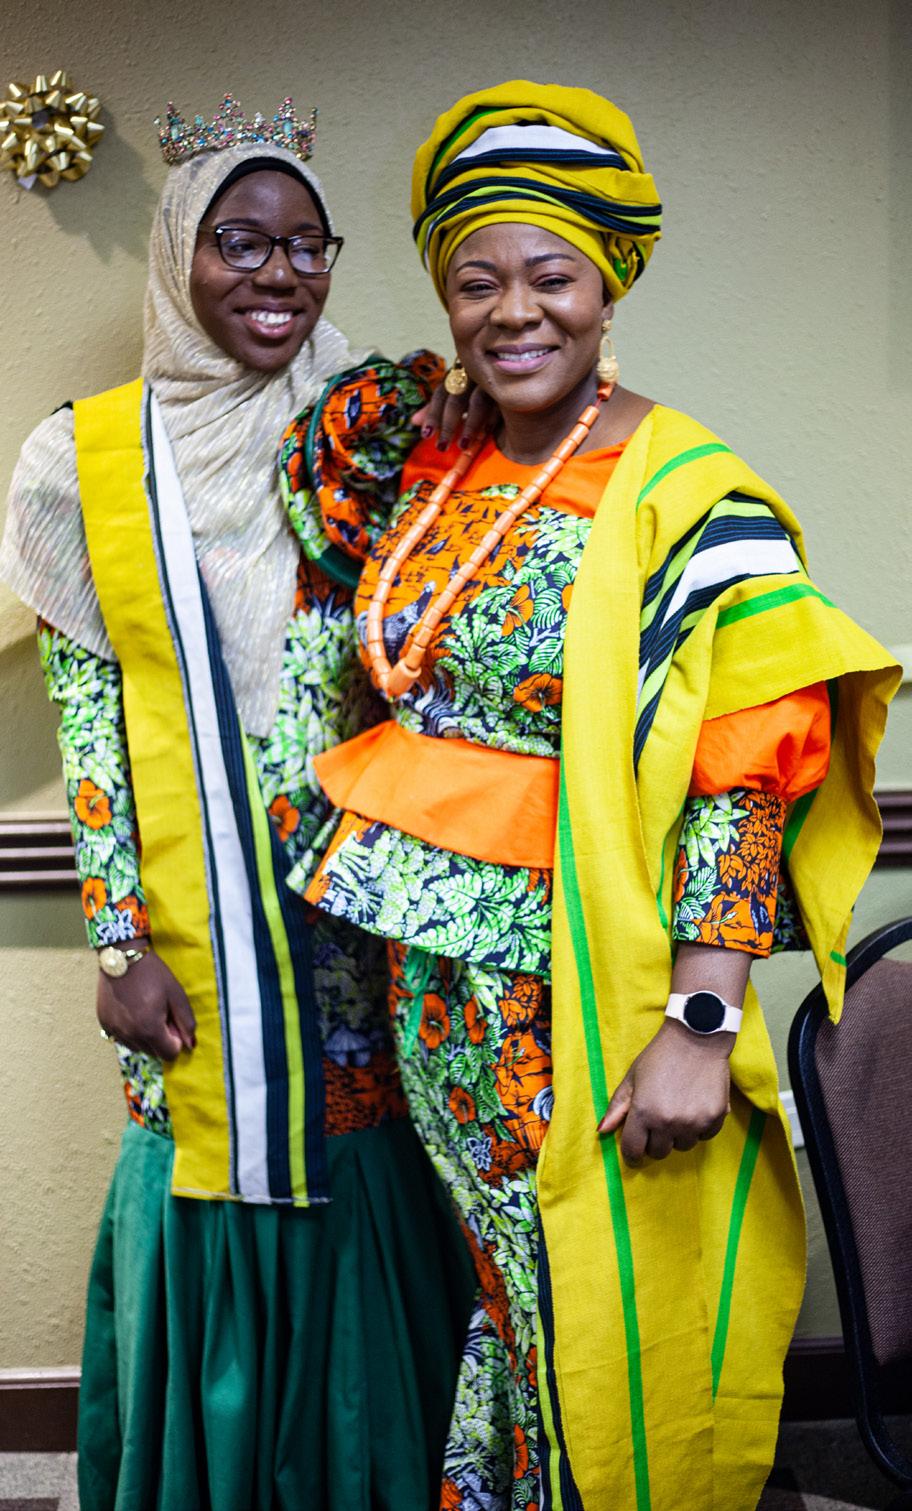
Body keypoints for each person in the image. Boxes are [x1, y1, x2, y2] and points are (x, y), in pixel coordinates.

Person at [278, 82, 900, 1510]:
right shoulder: (442, 457)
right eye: (475, 281)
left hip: (575, 983)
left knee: (583, 1293)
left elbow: (745, 774)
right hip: (430, 973)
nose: (514, 312)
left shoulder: (691, 491)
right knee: (507, 1284)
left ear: (609, 283)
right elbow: (319, 472)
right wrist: (422, 384)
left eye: (551, 276)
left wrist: (701, 1024)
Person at [0, 104, 474, 1511]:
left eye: (307, 246)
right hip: (191, 907)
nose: (279, 276)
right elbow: (90, 715)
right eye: (240, 243)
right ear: (177, 256)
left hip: (364, 891)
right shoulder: (82, 461)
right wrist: (116, 939)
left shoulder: (387, 430)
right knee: (213, 1148)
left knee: (368, 1152)